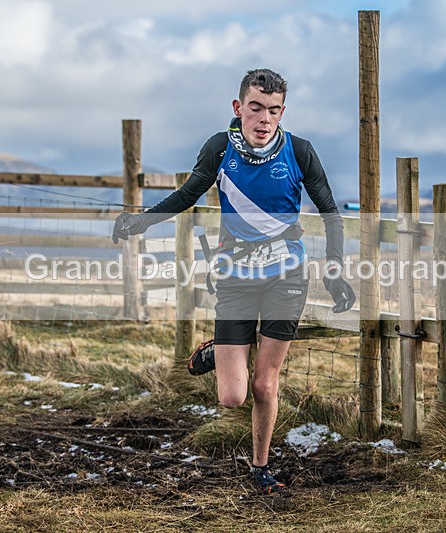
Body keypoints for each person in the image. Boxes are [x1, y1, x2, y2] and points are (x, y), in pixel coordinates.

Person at [112, 68, 355, 494]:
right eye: (256, 108)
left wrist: (334, 268)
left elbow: (331, 213)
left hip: (287, 275)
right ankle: (219, 350)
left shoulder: (299, 151)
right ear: (238, 107)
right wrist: (140, 221)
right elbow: (188, 195)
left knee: (265, 383)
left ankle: (260, 468)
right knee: (232, 398)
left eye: (274, 110)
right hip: (236, 277)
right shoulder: (220, 149)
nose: (264, 119)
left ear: (283, 112)